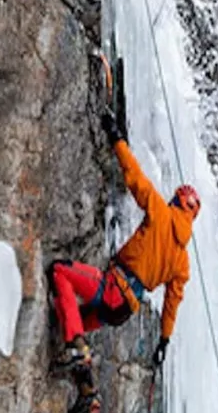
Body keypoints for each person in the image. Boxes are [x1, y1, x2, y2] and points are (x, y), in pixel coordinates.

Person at [50, 123, 199, 382]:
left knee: (59, 271)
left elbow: (135, 178)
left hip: (113, 289)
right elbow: (171, 304)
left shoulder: (162, 213)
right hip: (124, 310)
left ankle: (78, 351)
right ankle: (88, 390)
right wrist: (164, 340)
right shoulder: (182, 262)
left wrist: (118, 141)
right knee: (64, 319)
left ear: (176, 202)